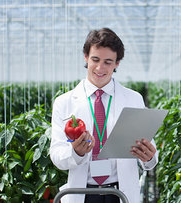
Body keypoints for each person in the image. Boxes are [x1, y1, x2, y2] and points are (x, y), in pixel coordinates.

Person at [49, 28, 158, 203]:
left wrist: (149, 157)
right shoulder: (64, 102)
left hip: (120, 194)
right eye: (95, 59)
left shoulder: (133, 99)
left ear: (117, 63)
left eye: (108, 62)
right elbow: (56, 155)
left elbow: (149, 149)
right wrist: (76, 152)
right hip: (82, 193)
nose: (100, 68)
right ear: (85, 57)